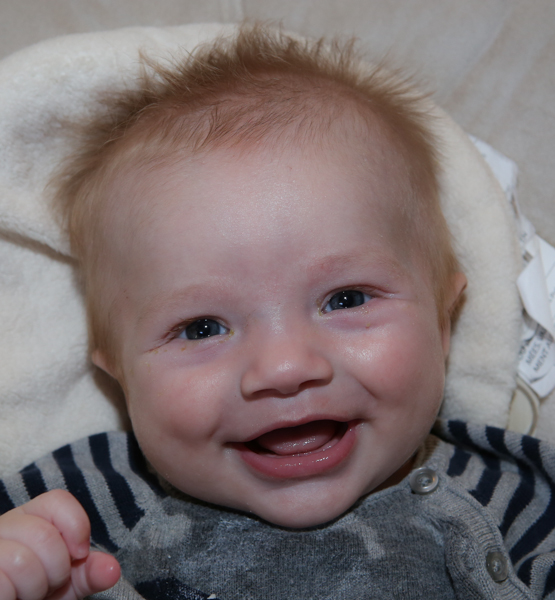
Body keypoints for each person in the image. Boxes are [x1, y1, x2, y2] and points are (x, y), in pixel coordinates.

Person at [0, 24, 553, 600]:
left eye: (346, 299)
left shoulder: (515, 496)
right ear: (120, 374)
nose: (285, 368)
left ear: (442, 322)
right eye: (202, 328)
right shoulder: (78, 506)